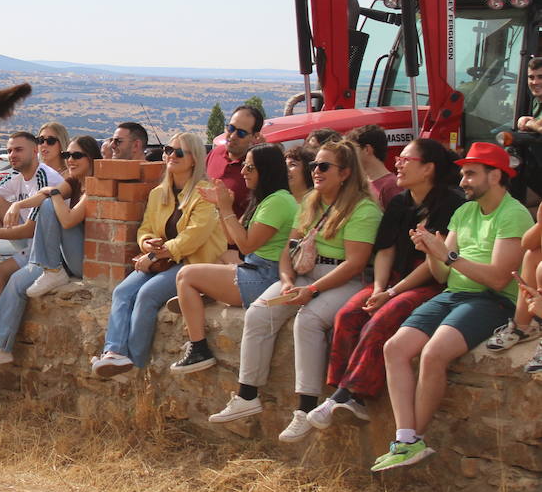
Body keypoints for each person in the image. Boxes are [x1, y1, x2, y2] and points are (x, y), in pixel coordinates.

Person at [208, 139, 380, 441]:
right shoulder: (311, 201)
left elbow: (354, 263)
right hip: (304, 272)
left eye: (324, 166)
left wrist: (311, 290)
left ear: (346, 173)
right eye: (314, 165)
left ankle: (305, 408)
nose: (316, 170)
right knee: (261, 312)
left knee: (308, 320)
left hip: (341, 277)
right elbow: (290, 248)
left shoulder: (363, 209)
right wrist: (287, 281)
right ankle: (247, 395)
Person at [372, 142, 529, 471]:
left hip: (492, 300)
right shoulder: (464, 211)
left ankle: (411, 441)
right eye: (462, 174)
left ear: (496, 175)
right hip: (455, 294)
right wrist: (431, 250)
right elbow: (443, 272)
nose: (462, 181)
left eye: (471, 174)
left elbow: (500, 279)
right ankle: (406, 438)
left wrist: (448, 255)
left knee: (433, 354)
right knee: (395, 348)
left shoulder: (514, 214)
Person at [307, 138, 464, 430]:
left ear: (428, 168)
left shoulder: (450, 204)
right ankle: (341, 393)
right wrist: (379, 288)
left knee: (383, 318)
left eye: (406, 160)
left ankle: (351, 394)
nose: (398, 164)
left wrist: (391, 293)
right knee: (348, 314)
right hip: (392, 278)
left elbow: (434, 265)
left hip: (428, 281)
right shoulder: (399, 202)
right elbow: (386, 250)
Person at [0, 137, 95, 368]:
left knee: (49, 204)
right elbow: (39, 197)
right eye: (68, 155)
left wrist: (52, 195)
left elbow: (67, 221)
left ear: (91, 158)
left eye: (76, 155)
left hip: (75, 261)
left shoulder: (94, 185)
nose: (70, 160)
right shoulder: (72, 181)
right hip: (52, 255)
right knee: (16, 282)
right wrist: (18, 204)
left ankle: (51, 270)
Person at [92, 132, 224, 378]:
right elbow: (145, 229)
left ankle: (134, 360)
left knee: (147, 294)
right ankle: (114, 353)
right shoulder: (158, 193)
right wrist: (146, 243)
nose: (171, 155)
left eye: (179, 152)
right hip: (163, 262)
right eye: (168, 150)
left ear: (194, 159)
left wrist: (152, 257)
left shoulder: (204, 193)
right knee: (122, 291)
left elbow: (193, 239)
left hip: (192, 264)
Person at [170, 143, 298, 374]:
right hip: (257, 268)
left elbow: (247, 244)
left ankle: (198, 349)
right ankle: (203, 296)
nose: (243, 172)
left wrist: (226, 207)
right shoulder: (267, 199)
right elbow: (233, 238)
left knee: (185, 276)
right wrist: (221, 207)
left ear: (266, 170)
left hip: (265, 276)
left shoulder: (278, 201)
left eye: (249, 167)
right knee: (205, 267)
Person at [0, 131, 65, 304]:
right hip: (29, 240)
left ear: (34, 151)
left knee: (0, 275)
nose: (12, 155)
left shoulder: (43, 176)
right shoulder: (16, 174)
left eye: (18, 150)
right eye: (9, 151)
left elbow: (31, 230)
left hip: (46, 248)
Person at [205, 104, 265, 223]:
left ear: (255, 136)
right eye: (231, 128)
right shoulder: (215, 153)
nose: (232, 136)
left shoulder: (260, 168)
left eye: (241, 133)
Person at [348, 124, 401, 207]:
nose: (350, 154)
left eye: (353, 149)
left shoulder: (391, 186)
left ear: (367, 149)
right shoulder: (362, 181)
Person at [515, 56, 542, 132]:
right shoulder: (535, 101)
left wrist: (529, 123)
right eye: (531, 77)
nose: (535, 82)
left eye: (540, 77)